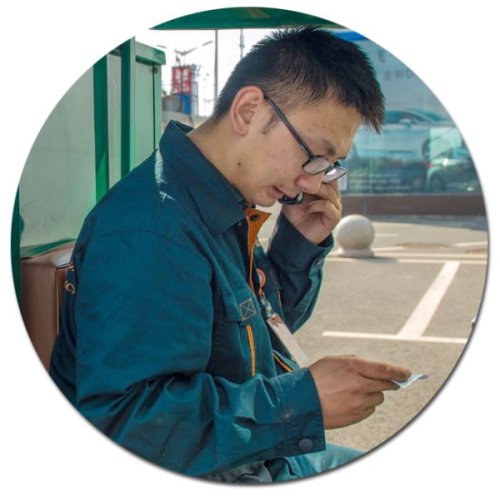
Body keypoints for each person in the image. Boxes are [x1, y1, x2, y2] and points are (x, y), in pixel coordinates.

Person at [49, 27, 411, 483]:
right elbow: (127, 424)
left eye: (328, 167)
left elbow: (254, 335)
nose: (314, 183)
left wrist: (298, 245)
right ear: (248, 110)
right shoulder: (153, 230)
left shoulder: (220, 201)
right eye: (314, 156)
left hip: (247, 457)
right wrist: (301, 403)